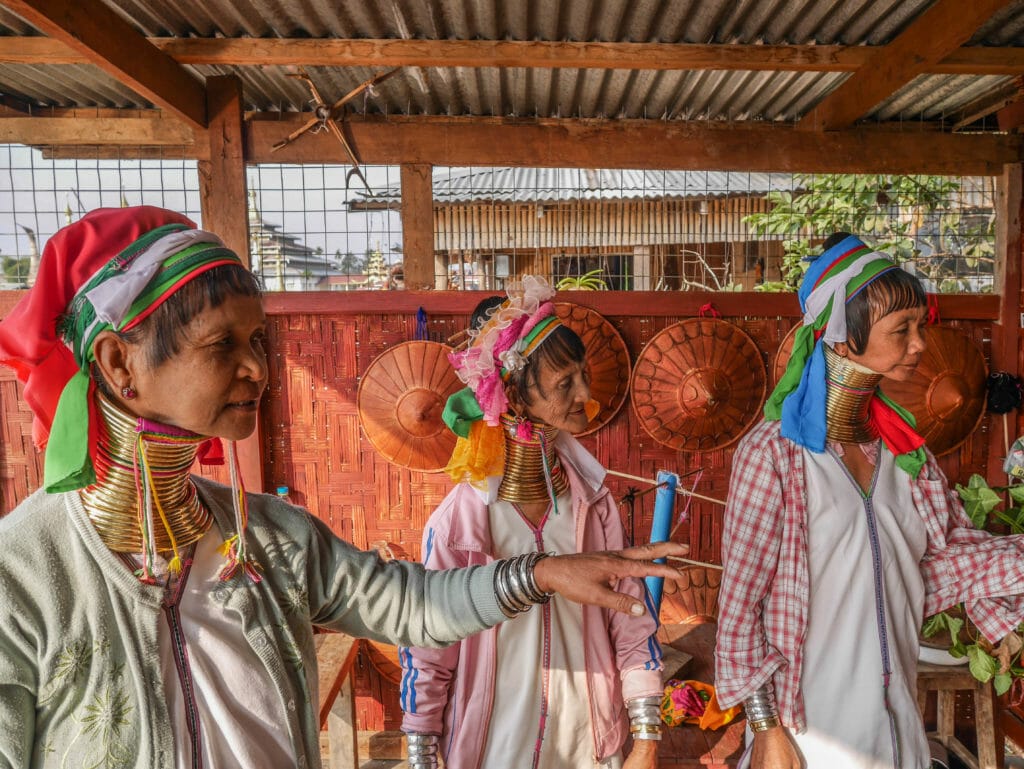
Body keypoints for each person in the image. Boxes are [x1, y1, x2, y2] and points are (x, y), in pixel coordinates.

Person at [0, 207, 686, 769]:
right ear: (121, 359)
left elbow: (414, 604)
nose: (258, 369)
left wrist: (542, 572)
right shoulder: (22, 577)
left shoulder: (271, 538)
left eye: (258, 341)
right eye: (223, 345)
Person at [715, 233, 1024, 769]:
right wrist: (766, 730)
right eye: (901, 330)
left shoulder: (907, 456)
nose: (919, 344)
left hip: (898, 725)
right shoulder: (775, 457)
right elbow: (742, 606)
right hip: (808, 734)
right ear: (840, 336)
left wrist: (1006, 599)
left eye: (918, 328)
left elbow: (945, 562)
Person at [400, 277, 665, 769]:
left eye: (582, 375)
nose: (585, 393)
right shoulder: (461, 524)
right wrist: (421, 752)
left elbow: (631, 621)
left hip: (591, 748)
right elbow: (429, 645)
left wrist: (645, 738)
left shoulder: (594, 506)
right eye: (565, 383)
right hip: (490, 752)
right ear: (515, 398)